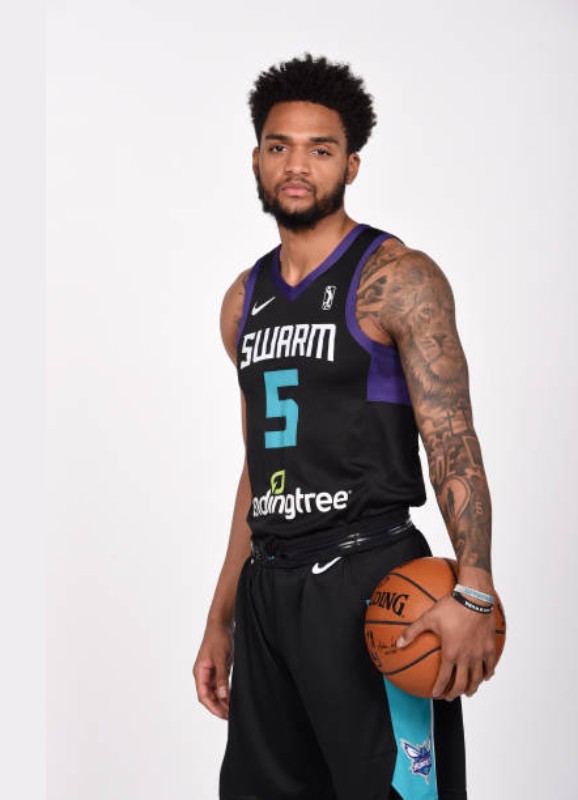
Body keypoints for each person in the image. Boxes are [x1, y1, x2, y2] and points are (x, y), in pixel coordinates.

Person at [193, 53, 498, 800]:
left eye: (320, 149)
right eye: (279, 146)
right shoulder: (243, 300)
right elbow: (259, 464)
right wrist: (220, 618)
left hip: (370, 578)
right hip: (269, 590)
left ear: (351, 165)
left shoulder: (397, 278)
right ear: (257, 159)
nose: (297, 165)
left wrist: (475, 588)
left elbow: (452, 439)